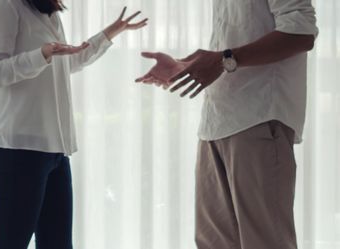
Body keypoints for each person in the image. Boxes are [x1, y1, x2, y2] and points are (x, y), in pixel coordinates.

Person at [136, 0, 318, 248]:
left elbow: (301, 32)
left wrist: (225, 59)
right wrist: (188, 66)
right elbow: (231, 45)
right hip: (216, 122)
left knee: (265, 242)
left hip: (258, 118)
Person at [0, 0, 147, 247]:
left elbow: (67, 61)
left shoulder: (46, 11)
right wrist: (41, 54)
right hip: (18, 150)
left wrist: (109, 33)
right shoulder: (2, 4)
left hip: (55, 150)